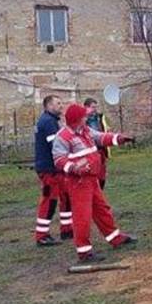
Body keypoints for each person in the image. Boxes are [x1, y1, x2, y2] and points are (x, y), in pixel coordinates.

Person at [53, 103, 137, 263]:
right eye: (84, 116)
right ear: (77, 119)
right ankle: (84, 252)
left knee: (102, 209)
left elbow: (100, 137)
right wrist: (74, 169)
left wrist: (119, 139)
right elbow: (58, 159)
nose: (87, 117)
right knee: (82, 216)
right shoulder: (62, 137)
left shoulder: (85, 130)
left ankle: (115, 238)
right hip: (78, 182)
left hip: (91, 178)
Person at [33, 94, 73, 246]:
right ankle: (41, 235)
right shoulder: (48, 122)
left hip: (55, 168)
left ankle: (67, 229)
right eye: (58, 103)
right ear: (48, 106)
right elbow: (56, 147)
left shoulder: (50, 121)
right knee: (49, 201)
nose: (61, 106)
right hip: (49, 169)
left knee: (66, 196)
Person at [84, 97, 110, 189]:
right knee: (93, 173)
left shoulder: (99, 117)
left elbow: (102, 131)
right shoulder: (83, 120)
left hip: (101, 149)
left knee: (102, 174)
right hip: (90, 151)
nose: (95, 109)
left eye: (96, 107)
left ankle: (100, 191)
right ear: (86, 107)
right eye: (92, 107)